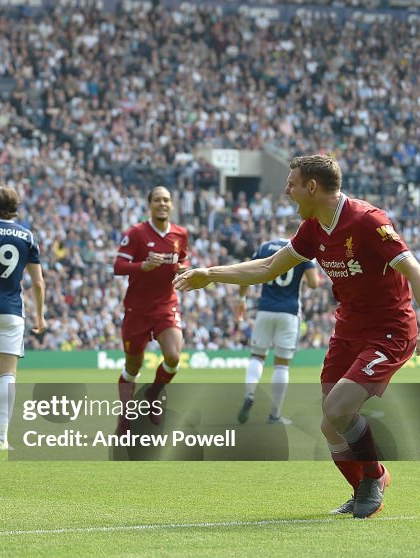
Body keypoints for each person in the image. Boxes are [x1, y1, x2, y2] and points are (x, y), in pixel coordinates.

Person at [175, 154, 417, 519]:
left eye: (291, 184)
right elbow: (268, 267)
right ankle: (362, 487)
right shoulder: (313, 229)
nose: (286, 191)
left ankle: (375, 477)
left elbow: (413, 270)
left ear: (312, 187)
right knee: (329, 422)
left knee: (338, 409)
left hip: (389, 330)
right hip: (349, 328)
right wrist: (210, 273)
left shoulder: (368, 221)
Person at [113, 186, 189, 433]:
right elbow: (118, 265)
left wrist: (183, 268)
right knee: (133, 366)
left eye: (166, 200)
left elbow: (184, 259)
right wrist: (142, 266)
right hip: (137, 310)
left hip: (166, 305)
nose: (163, 204)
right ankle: (125, 414)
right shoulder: (136, 233)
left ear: (172, 205)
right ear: (150, 205)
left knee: (174, 356)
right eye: (157, 200)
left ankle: (153, 395)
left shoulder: (180, 234)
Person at [0, 185, 46, 450]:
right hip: (12, 311)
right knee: (8, 374)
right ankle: (3, 437)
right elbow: (38, 282)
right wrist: (40, 316)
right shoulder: (26, 236)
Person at [234, 222, 320, 425]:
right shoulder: (303, 249)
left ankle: (250, 394)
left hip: (265, 309)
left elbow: (247, 272)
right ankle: (274, 414)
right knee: (282, 364)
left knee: (257, 356)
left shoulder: (266, 247)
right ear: (298, 231)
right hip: (289, 312)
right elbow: (314, 283)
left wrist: (241, 299)